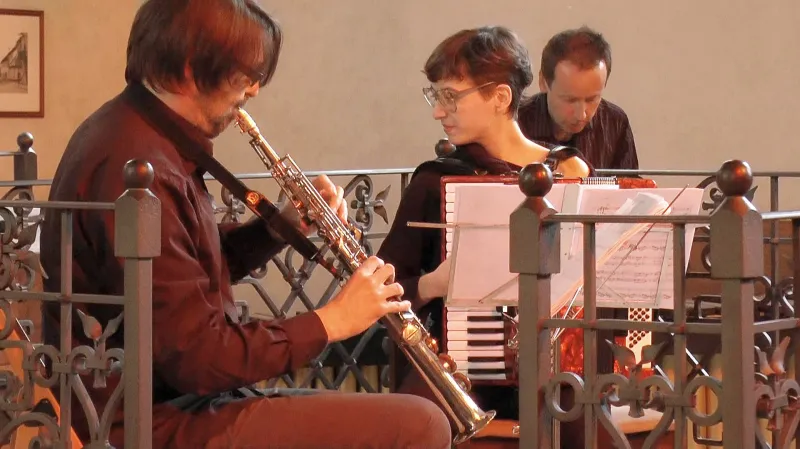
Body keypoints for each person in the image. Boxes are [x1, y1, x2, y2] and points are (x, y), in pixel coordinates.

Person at [38, 1, 451, 448]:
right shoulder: (139, 165)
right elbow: (197, 357)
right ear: (193, 69)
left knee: (408, 417)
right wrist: (332, 321)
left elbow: (179, 278)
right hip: (149, 421)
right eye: (244, 75)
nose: (253, 90)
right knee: (419, 424)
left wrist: (277, 228)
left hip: (172, 400)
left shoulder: (132, 134)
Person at [377, 25, 604, 447]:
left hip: (558, 369)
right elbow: (380, 294)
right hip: (457, 367)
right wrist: (435, 283)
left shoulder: (568, 172)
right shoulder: (434, 182)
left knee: (592, 429)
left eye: (450, 96)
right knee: (408, 427)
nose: (438, 111)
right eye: (436, 96)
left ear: (499, 97)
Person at [518, 26, 639, 170]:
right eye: (570, 100)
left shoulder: (615, 122)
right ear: (543, 82)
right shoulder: (515, 121)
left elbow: (629, 189)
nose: (581, 114)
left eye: (592, 99)